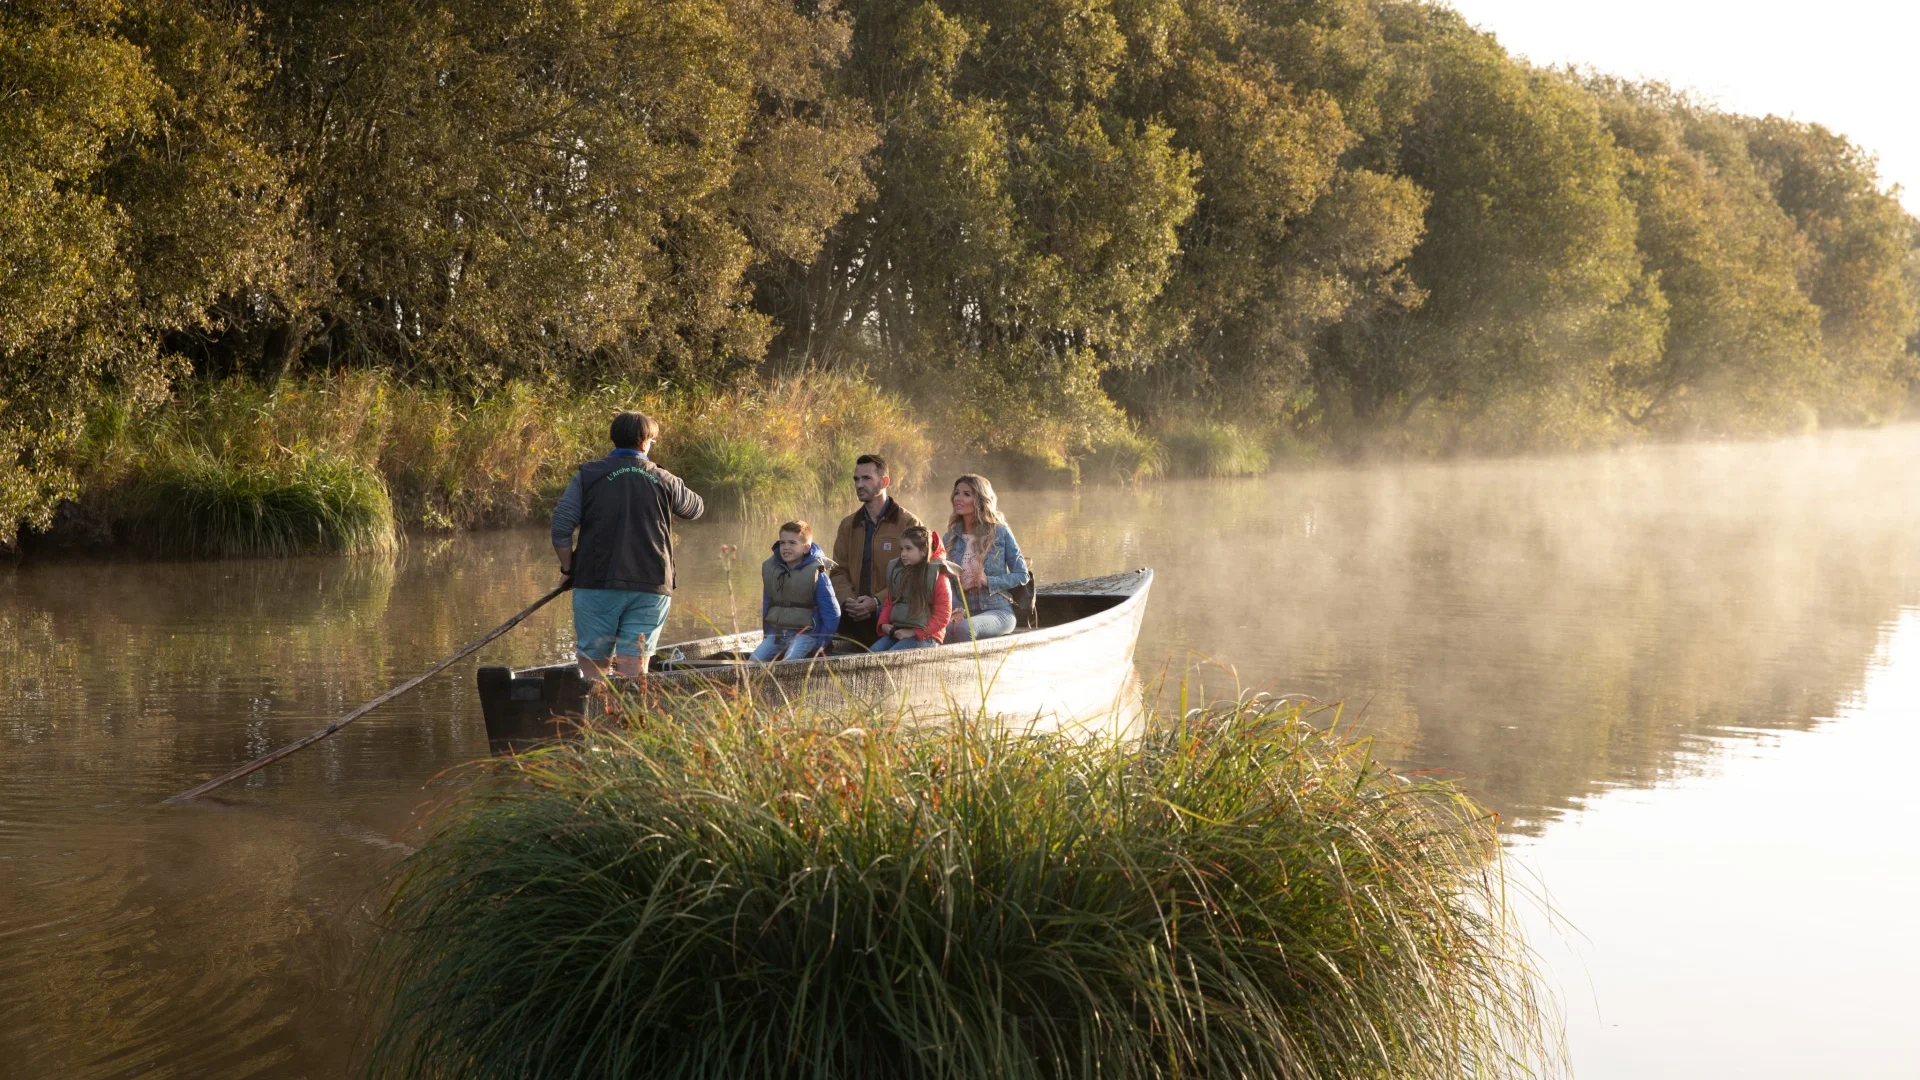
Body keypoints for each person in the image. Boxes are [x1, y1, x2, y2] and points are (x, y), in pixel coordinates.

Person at [550, 411, 705, 679]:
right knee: (634, 667)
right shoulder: (665, 479)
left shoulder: (588, 476)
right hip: (651, 584)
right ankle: (630, 719)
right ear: (645, 443)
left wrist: (569, 569)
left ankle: (594, 717)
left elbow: (561, 526)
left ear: (614, 439)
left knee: (593, 666)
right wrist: (666, 479)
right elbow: (695, 509)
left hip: (596, 582)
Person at [829, 453, 924, 645]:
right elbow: (838, 570)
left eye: (866, 478)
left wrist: (876, 601)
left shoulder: (909, 523)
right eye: (856, 479)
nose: (859, 484)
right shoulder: (848, 525)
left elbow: (916, 574)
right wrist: (849, 601)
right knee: (817, 619)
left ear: (884, 482)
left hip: (891, 611)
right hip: (853, 610)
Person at [942, 472, 1029, 643]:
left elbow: (1022, 575)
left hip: (998, 611)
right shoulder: (949, 538)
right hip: (965, 611)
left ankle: (969, 670)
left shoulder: (1000, 533)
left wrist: (988, 581)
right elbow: (946, 581)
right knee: (938, 629)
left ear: (981, 500)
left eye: (967, 494)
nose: (958, 498)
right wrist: (957, 608)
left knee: (965, 628)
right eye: (957, 492)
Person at [751, 520, 840, 662]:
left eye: (792, 543)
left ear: (806, 548)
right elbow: (768, 606)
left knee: (789, 662)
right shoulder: (773, 572)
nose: (786, 547)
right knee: (753, 661)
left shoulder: (817, 575)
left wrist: (821, 643)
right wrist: (768, 635)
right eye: (782, 543)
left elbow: (833, 614)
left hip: (807, 635)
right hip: (778, 635)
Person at [870, 525, 953, 652]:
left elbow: (943, 615)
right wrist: (883, 625)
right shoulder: (899, 573)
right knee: (873, 652)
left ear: (923, 551)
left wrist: (914, 632)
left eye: (909, 549)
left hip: (927, 636)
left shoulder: (939, 578)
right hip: (899, 631)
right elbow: (889, 603)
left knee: (893, 655)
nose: (903, 554)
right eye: (901, 549)